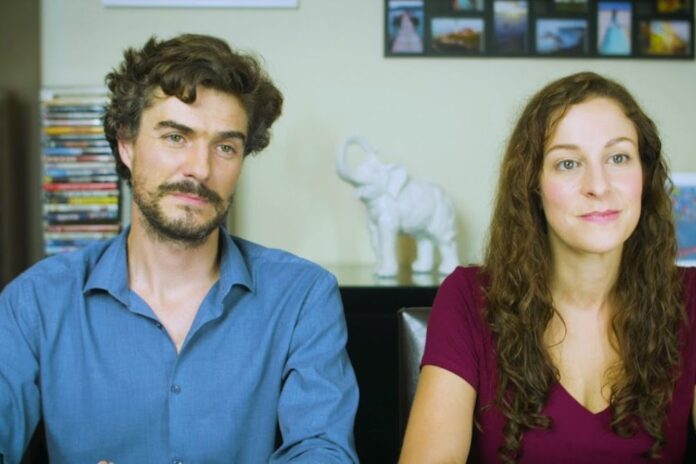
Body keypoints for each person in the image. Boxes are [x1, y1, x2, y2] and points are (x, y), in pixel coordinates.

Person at [0, 34, 359, 463]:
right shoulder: (35, 301)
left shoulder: (303, 295)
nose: (200, 169)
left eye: (225, 147)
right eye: (175, 137)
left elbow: (323, 451)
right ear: (126, 144)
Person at [399, 72, 696, 463]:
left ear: (645, 173)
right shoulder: (468, 297)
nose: (598, 185)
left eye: (618, 157)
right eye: (568, 163)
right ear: (533, 185)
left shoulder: (691, 299)